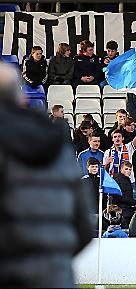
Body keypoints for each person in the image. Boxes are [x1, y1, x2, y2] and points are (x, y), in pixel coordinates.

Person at [0, 62, 93, 288]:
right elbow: (84, 227)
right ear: (22, 100)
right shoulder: (59, 146)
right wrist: (53, 256)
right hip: (55, 274)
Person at [103, 119, 136, 198]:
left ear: (123, 138)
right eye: (115, 137)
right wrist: (107, 164)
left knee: (133, 204)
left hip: (129, 181)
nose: (117, 138)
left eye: (119, 136)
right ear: (112, 139)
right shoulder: (107, 152)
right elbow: (105, 171)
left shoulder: (128, 148)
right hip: (114, 183)